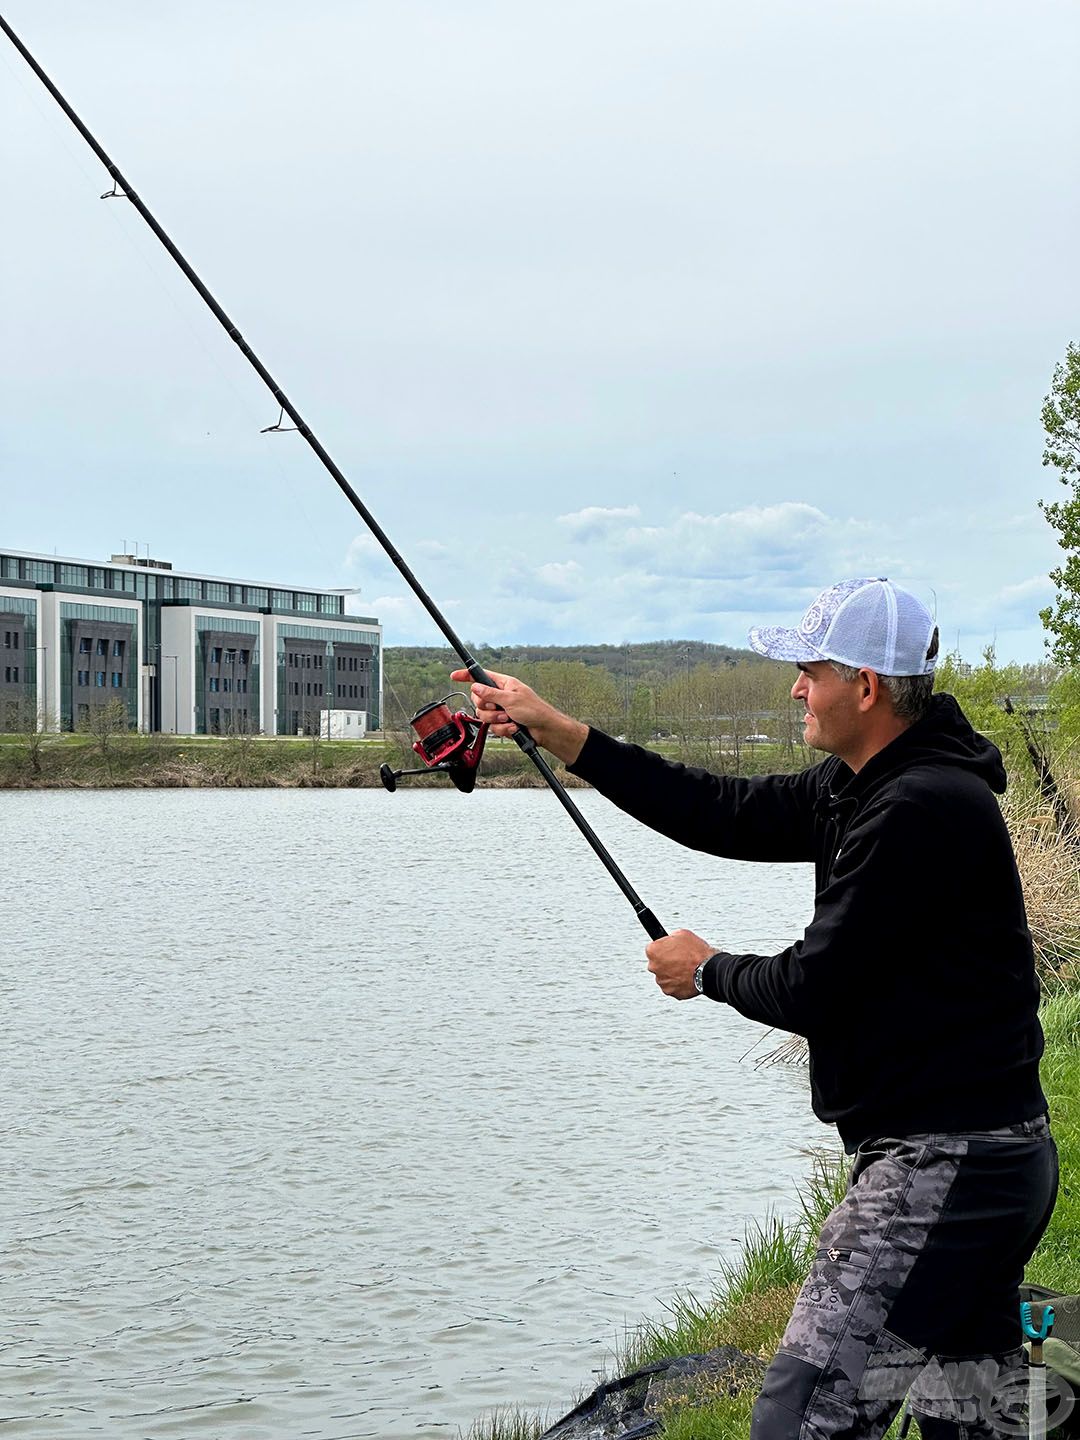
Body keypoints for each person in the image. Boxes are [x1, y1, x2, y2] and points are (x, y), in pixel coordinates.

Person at [451, 576, 1058, 1440]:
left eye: (809, 670)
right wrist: (562, 733)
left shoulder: (918, 807)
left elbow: (818, 986)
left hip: (942, 1171)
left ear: (866, 686)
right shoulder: (868, 785)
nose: (794, 688)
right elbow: (716, 809)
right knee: (973, 1419)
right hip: (990, 1166)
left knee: (800, 1416)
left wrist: (707, 970)